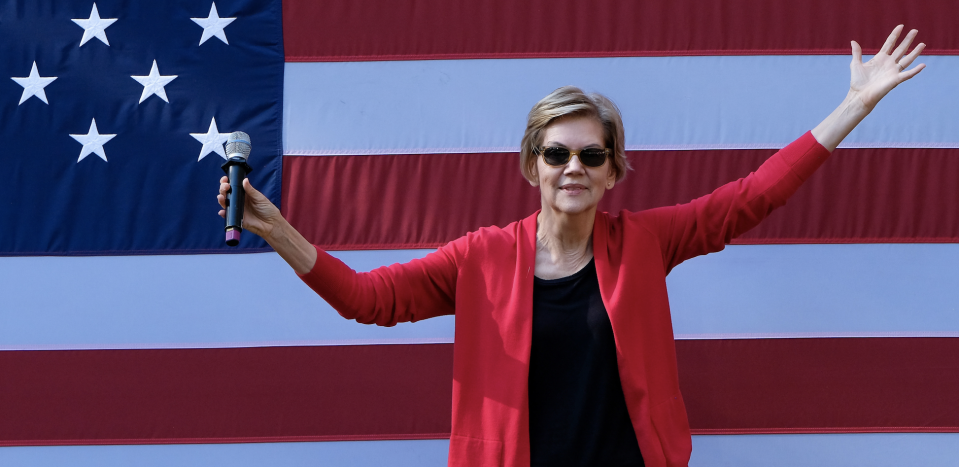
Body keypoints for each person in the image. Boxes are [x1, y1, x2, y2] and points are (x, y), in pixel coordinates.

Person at [218, 26, 926, 467]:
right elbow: (368, 300)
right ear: (531, 164)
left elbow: (750, 197)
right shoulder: (480, 257)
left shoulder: (645, 242)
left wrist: (853, 106)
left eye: (592, 155)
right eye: (557, 153)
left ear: (614, 169)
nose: (573, 168)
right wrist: (276, 229)